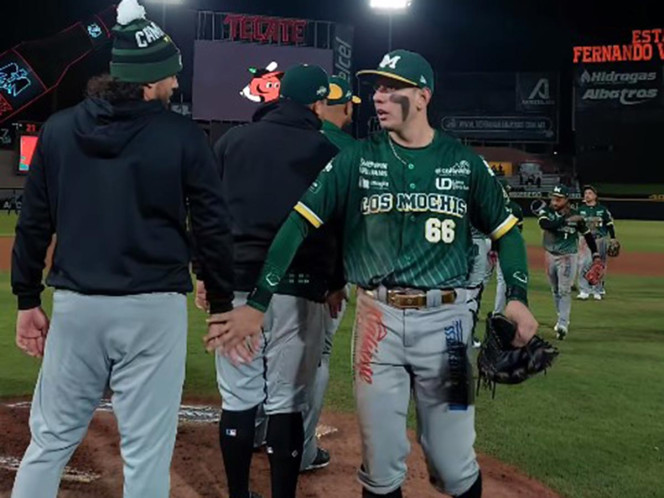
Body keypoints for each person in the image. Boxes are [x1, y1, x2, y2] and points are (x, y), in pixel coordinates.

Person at [209, 49, 539, 498]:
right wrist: (259, 304)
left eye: (392, 88)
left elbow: (508, 231)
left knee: (454, 462)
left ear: (423, 96)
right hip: (377, 323)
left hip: (450, 326)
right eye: (378, 88)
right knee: (380, 465)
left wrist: (517, 295)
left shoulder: (465, 163)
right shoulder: (354, 160)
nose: (379, 97)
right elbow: (295, 226)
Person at [10, 1, 234, 497]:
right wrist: (220, 301)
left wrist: (27, 299)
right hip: (154, 310)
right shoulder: (180, 136)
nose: (176, 85)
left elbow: (34, 223)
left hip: (76, 307)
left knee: (48, 443)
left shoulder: (60, 129)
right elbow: (213, 224)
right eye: (170, 77)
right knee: (146, 451)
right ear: (149, 81)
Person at [205, 64, 342, 498]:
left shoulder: (230, 142)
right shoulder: (326, 152)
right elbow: (336, 226)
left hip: (235, 287)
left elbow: (206, 216)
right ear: (318, 103)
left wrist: (205, 277)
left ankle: (238, 494)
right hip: (298, 289)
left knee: (238, 396)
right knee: (288, 401)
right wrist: (335, 281)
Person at [299, 74, 361, 471]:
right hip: (327, 272)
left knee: (264, 356)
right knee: (316, 355)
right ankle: (301, 451)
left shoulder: (291, 139)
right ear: (348, 108)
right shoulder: (354, 152)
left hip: (270, 263)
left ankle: (256, 432)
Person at [536, 184, 600, 339]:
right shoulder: (547, 212)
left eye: (558, 199)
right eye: (553, 198)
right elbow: (545, 224)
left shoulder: (576, 216)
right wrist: (565, 220)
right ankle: (560, 317)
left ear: (566, 200)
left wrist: (596, 254)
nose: (555, 202)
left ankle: (563, 323)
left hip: (568, 256)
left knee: (564, 290)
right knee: (555, 289)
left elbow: (588, 235)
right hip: (550, 255)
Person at [576, 185, 617, 300]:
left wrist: (613, 237)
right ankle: (584, 290)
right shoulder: (580, 209)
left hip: (599, 239)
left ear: (595, 196)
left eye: (589, 193)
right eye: (585, 193)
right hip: (584, 240)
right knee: (583, 264)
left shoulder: (602, 210)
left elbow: (609, 224)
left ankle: (597, 290)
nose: (587, 195)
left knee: (599, 265)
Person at [493, 179, 524, 314]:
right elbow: (519, 230)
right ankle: (498, 312)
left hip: (487, 246)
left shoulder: (490, 205)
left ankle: (473, 308)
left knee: (479, 281)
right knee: (502, 280)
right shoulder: (515, 208)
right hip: (505, 246)